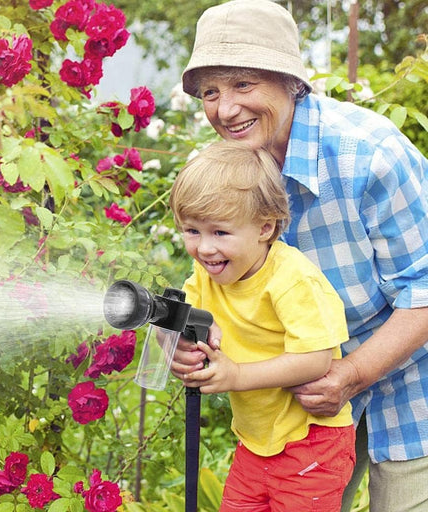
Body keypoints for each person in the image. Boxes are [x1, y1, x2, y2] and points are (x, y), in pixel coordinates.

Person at [169, 1, 428, 511]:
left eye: (243, 84)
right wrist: (191, 339)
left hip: (411, 384)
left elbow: (426, 289)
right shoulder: (230, 170)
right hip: (299, 409)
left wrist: (351, 374)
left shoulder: (370, 156)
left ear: (292, 82)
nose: (224, 110)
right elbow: (217, 278)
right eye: (210, 92)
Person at [169, 140, 356, 511]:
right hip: (254, 445)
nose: (204, 248)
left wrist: (236, 375)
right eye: (191, 230)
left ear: (264, 227)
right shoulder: (209, 272)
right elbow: (185, 316)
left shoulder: (292, 279)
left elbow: (316, 360)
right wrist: (178, 347)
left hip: (312, 443)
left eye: (220, 232)